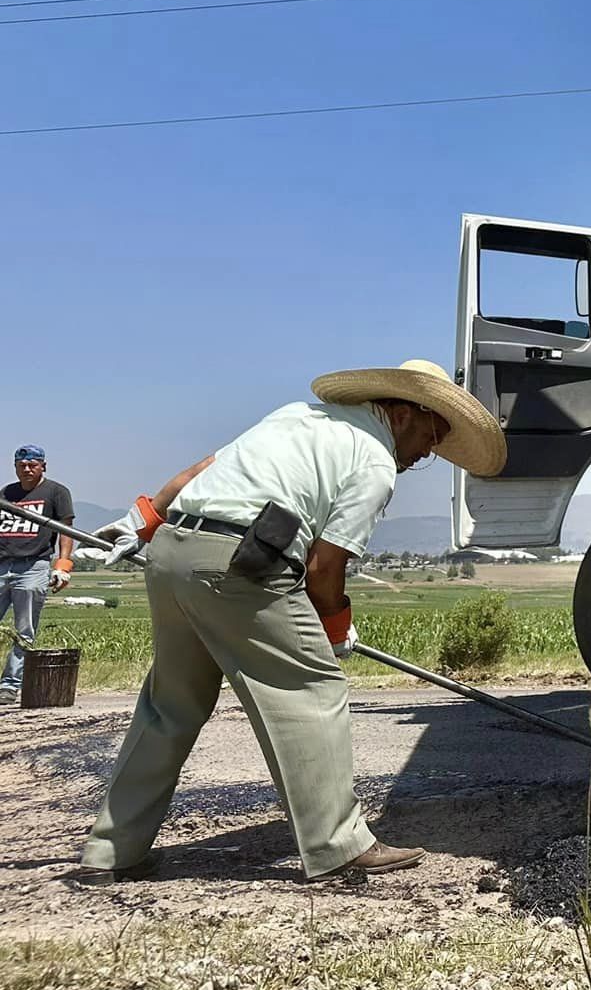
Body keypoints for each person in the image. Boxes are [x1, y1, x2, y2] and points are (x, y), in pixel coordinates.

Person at [78, 360, 506, 880]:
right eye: (430, 435)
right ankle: (338, 845)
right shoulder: (373, 461)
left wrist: (145, 518)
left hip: (173, 553)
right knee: (315, 689)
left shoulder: (297, 415)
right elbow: (325, 569)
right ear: (400, 412)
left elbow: (200, 471)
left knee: (170, 704)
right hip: (238, 564)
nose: (425, 452)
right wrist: (334, 628)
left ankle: (111, 851)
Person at [1, 445, 74, 702]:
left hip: (33, 566)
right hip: (2, 564)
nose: (27, 469)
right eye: (22, 465)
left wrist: (63, 564)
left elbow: (67, 530)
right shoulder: (6, 493)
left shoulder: (56, 492)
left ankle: (9, 685)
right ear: (15, 467)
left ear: (43, 465)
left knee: (24, 629)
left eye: (33, 464)